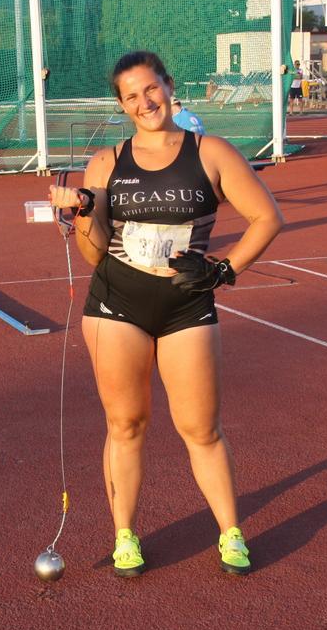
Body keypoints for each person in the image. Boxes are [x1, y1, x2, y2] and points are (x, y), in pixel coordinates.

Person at [48, 51, 284, 577]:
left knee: (201, 428)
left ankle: (230, 532)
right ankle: (125, 535)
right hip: (117, 303)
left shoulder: (211, 152)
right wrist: (83, 212)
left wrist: (225, 271)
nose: (144, 102)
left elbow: (267, 217)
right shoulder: (107, 163)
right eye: (131, 96)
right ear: (121, 105)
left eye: (150, 89)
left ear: (169, 87)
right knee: (126, 423)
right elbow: (94, 253)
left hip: (186, 302)